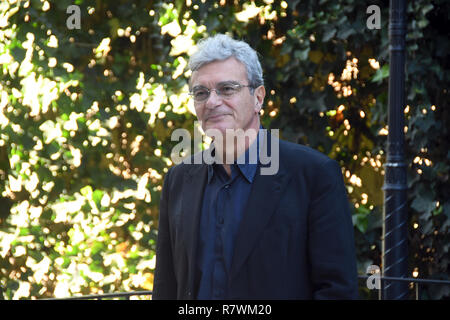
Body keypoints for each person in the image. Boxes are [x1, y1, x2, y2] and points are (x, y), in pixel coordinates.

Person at [152, 34, 359, 299]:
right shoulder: (179, 179)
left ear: (258, 97)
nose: (212, 102)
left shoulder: (313, 175)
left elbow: (337, 291)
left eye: (227, 89)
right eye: (201, 93)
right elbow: (166, 286)